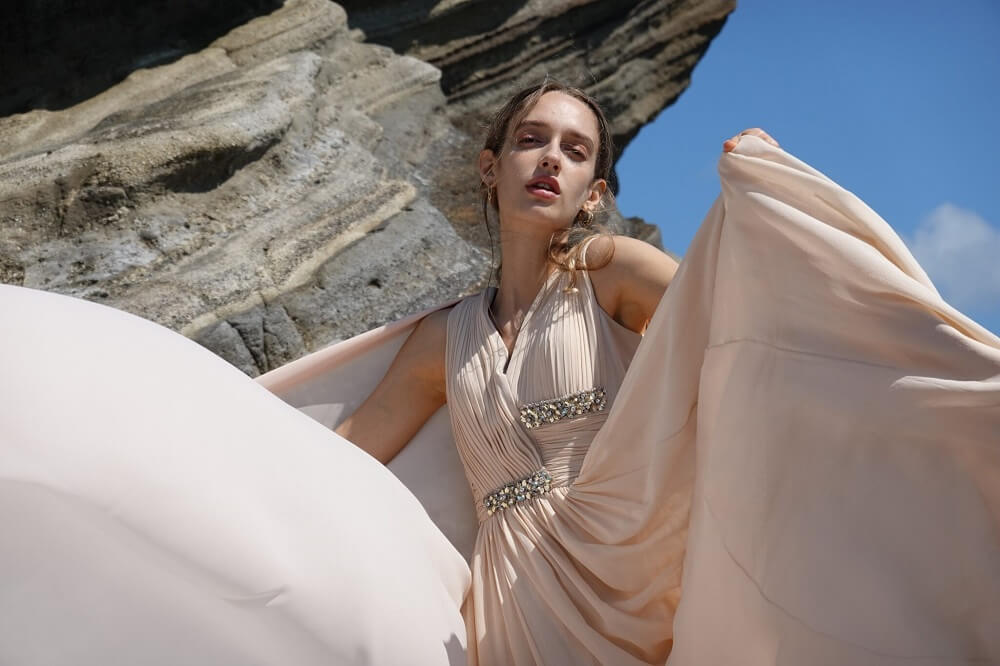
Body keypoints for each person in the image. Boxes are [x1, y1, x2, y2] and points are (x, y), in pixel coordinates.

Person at [334, 81, 779, 664]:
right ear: (491, 168)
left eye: (575, 150)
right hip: (509, 602)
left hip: (630, 574)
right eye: (532, 139)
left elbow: (746, 333)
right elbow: (344, 458)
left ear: (593, 194)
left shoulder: (613, 272)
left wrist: (761, 198)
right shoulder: (442, 340)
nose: (550, 157)